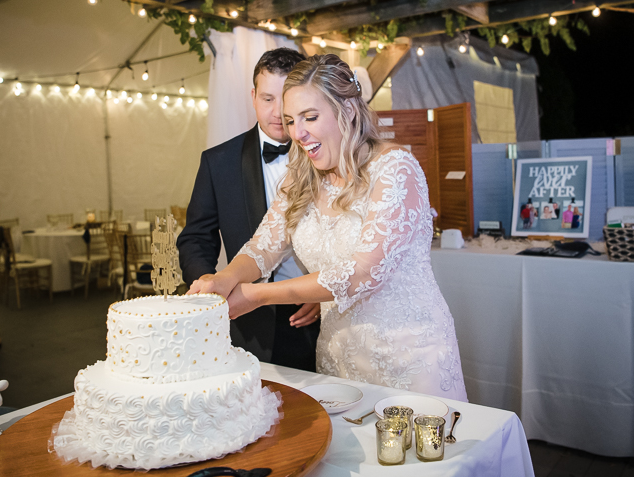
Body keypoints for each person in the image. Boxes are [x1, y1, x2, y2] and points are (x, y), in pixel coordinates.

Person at [189, 55, 467, 400]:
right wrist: (225, 278)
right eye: (291, 121)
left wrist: (258, 295)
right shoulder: (302, 174)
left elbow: (363, 272)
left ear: (347, 109)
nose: (297, 133)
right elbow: (264, 245)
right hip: (338, 356)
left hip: (407, 356)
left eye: (310, 117)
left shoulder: (396, 169)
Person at [178, 47, 320, 372]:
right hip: (248, 316)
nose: (276, 111)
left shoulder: (326, 157)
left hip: (315, 314)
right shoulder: (219, 162)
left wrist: (326, 292)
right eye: (267, 98)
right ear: (253, 96)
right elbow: (196, 239)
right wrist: (212, 286)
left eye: (286, 98)